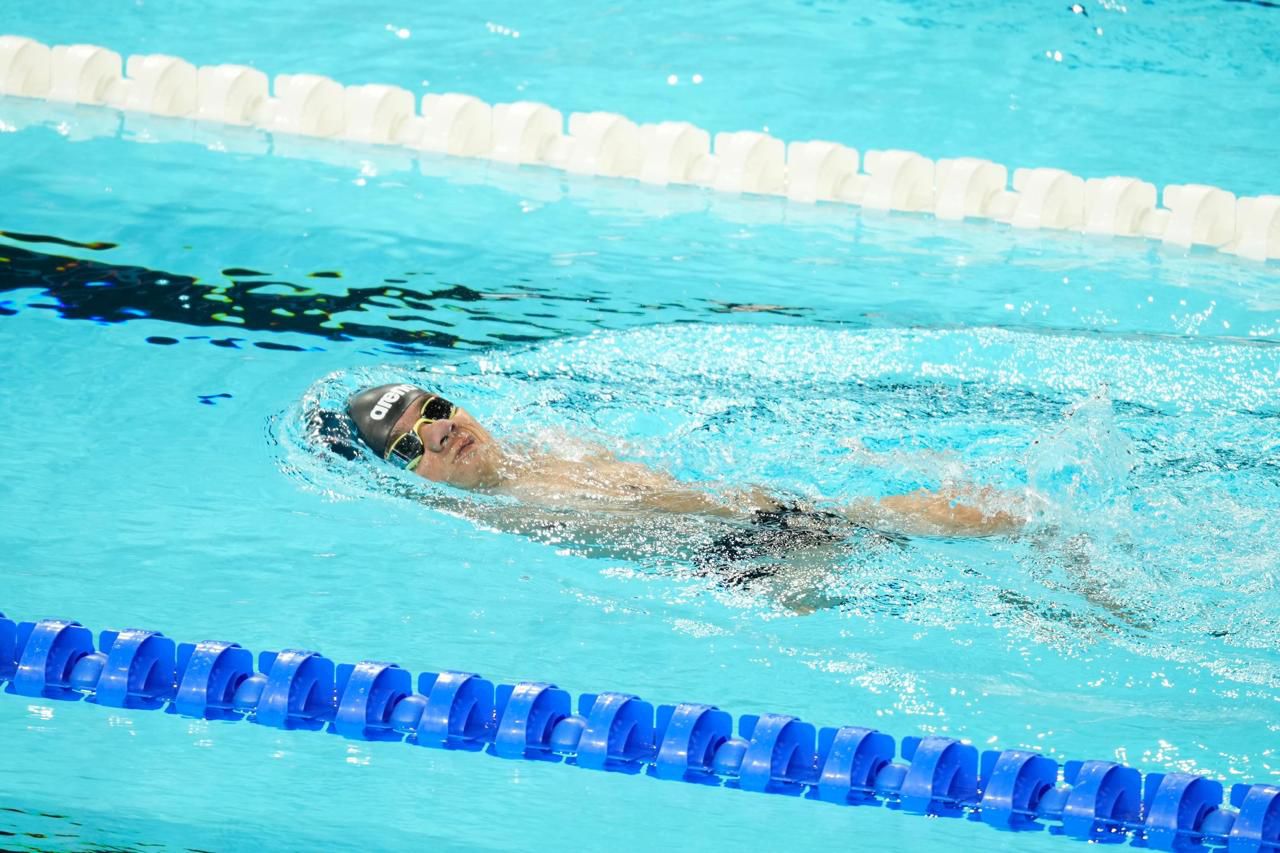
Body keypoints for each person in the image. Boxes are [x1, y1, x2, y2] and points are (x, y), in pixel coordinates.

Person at [342, 382, 1022, 543]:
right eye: (409, 445)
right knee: (919, 521)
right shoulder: (484, 512)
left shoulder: (548, 442)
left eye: (435, 408)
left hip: (740, 522)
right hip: (735, 545)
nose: (438, 432)